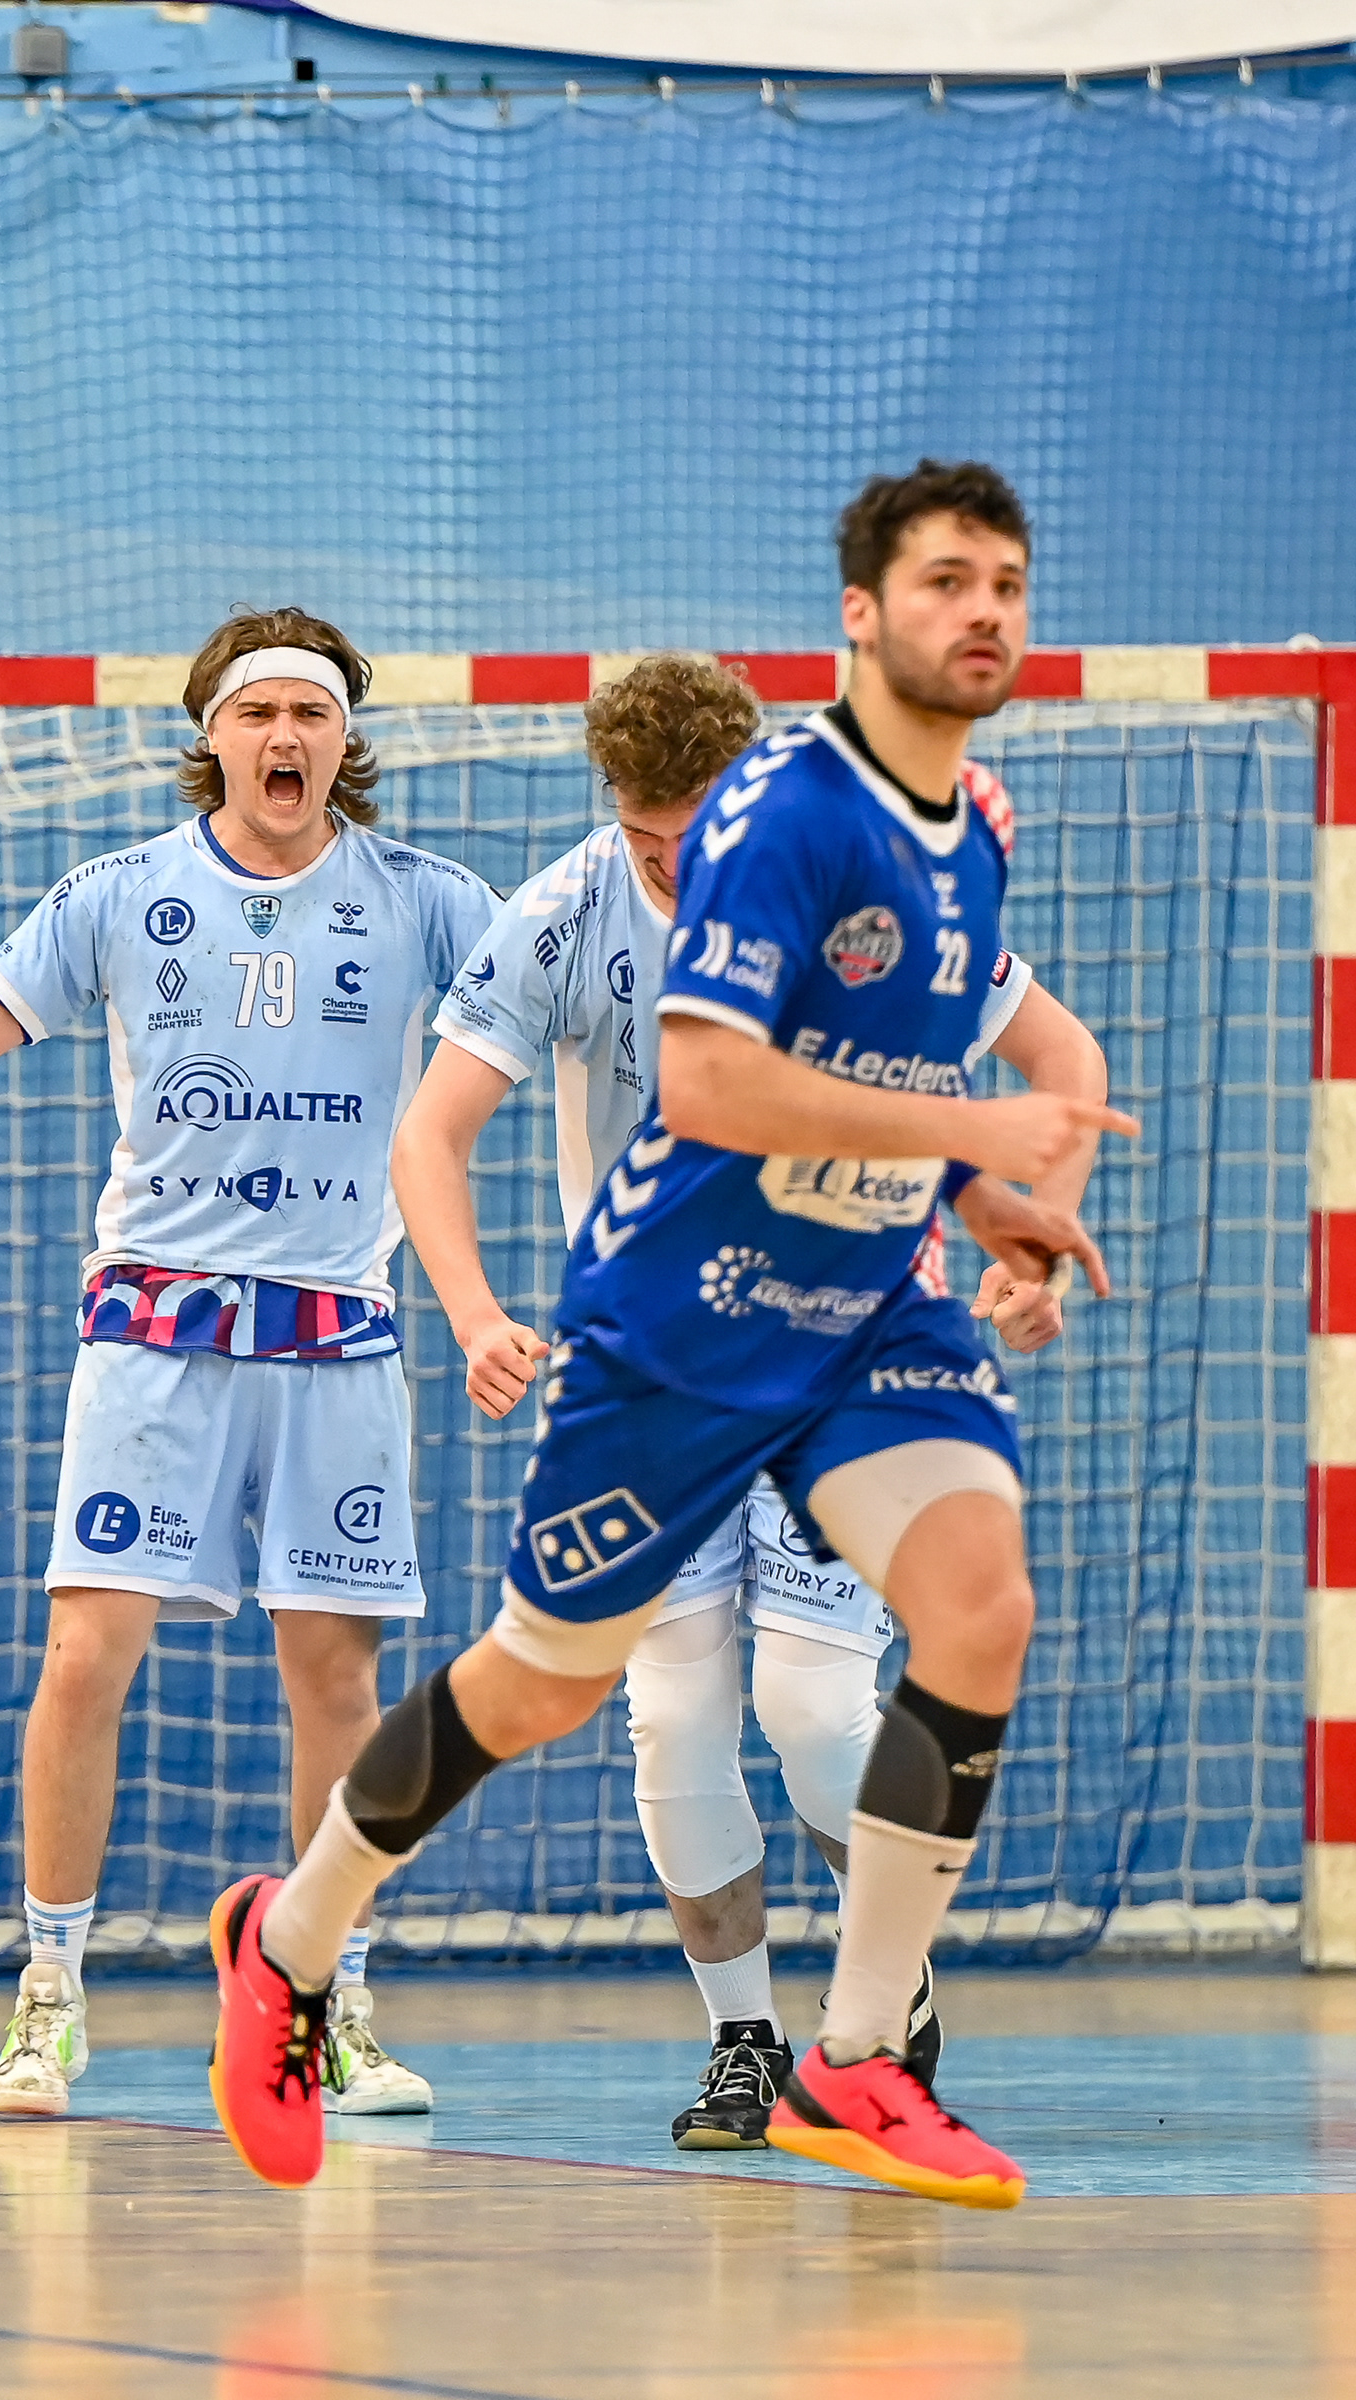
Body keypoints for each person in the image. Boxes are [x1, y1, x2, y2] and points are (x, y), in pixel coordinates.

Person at [203, 460, 1139, 2207]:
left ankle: (855, 2053)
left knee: (973, 1610)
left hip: (864, 1316)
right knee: (550, 1688)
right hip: (678, 1329)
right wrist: (968, 1144)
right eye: (945, 581)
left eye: (1006, 581)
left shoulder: (969, 829)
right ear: (861, 615)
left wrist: (1008, 1199)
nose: (983, 612)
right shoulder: (750, 835)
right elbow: (706, 1085)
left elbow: (956, 1060)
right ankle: (294, 1937)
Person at [0, 606, 498, 2122]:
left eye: (310, 714)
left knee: (339, 1676)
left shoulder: (429, 901)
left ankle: (323, 2003)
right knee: (85, 1654)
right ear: (212, 736)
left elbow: (573, 1009)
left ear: (344, 739)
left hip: (336, 1330)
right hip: (156, 1329)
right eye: (256, 712)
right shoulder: (122, 896)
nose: (283, 736)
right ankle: (50, 1995)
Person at [394, 651, 1107, 2148]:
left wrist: (1035, 1242)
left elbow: (1063, 1055)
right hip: (656, 1370)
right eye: (644, 836)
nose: (672, 864)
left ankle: (880, 1997)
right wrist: (473, 1312)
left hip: (838, 1350)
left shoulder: (862, 884)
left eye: (696, 831)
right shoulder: (565, 915)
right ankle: (745, 2044)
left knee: (811, 1704)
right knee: (673, 1722)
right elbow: (429, 1134)